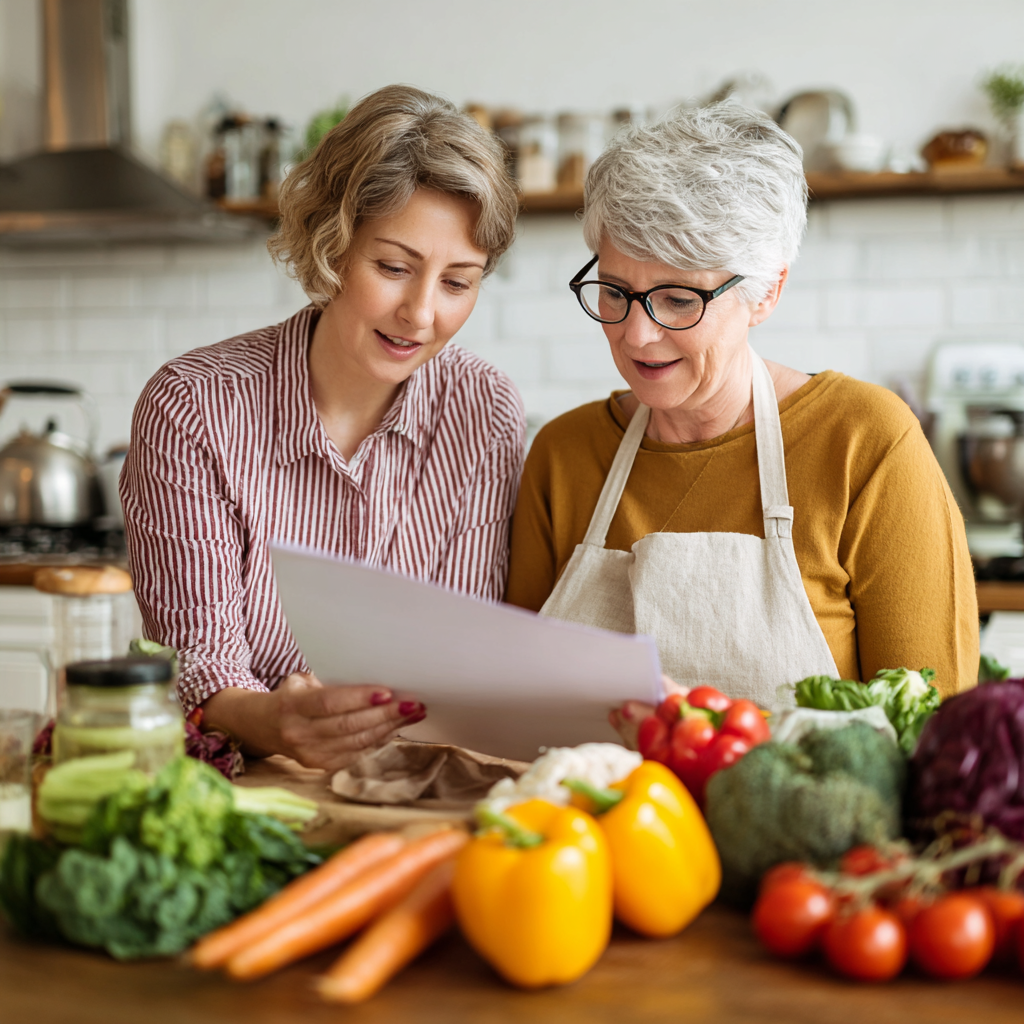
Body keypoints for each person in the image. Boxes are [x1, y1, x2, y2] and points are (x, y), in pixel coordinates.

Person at [505, 104, 978, 731]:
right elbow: (511, 715)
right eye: (616, 293)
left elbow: (934, 732)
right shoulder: (564, 454)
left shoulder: (864, 442)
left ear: (767, 292)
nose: (638, 335)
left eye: (678, 299)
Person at [122, 85, 524, 770]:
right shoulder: (193, 408)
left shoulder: (482, 411)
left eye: (458, 282)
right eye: (393, 268)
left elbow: (457, 661)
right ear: (331, 246)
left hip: (416, 792)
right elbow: (199, 666)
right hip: (250, 791)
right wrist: (277, 723)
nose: (421, 314)